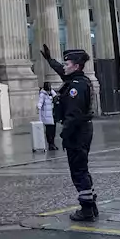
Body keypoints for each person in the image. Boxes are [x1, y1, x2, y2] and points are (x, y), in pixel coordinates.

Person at [42, 45, 96, 221]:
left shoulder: (76, 87)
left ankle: (87, 209)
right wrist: (50, 61)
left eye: (67, 63)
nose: (64, 66)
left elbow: (73, 114)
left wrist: (65, 135)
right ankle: (91, 205)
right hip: (81, 130)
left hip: (77, 132)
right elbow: (62, 71)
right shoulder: (78, 80)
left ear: (76, 66)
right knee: (82, 168)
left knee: (78, 171)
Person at [37, 82, 57, 152]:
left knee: (53, 131)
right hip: (46, 116)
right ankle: (50, 144)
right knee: (49, 131)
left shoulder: (51, 93)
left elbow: (56, 97)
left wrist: (52, 91)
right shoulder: (42, 94)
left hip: (52, 115)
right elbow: (39, 104)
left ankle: (53, 143)